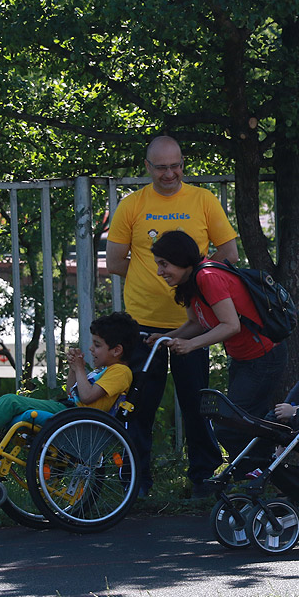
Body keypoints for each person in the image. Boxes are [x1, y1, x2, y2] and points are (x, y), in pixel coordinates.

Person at [106, 135, 239, 497]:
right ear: (147, 167)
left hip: (194, 323)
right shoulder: (132, 205)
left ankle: (204, 479)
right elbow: (115, 261)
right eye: (162, 167)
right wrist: (156, 277)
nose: (170, 173)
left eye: (176, 165)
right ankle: (136, 481)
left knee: (197, 404)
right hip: (141, 325)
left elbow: (229, 252)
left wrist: (199, 281)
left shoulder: (203, 199)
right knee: (137, 406)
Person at [149, 231, 287, 494]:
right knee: (242, 420)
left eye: (164, 264)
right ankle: (258, 477)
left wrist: (189, 345)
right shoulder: (191, 282)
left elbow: (230, 325)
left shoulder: (207, 277)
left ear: (182, 260)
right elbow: (195, 322)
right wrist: (166, 337)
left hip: (263, 356)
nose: (159, 271)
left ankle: (263, 473)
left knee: (231, 423)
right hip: (244, 358)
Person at [0, 312, 138, 456]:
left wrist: (81, 369)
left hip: (77, 418)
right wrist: (75, 368)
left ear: (117, 350)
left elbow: (87, 397)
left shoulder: (120, 372)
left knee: (10, 401)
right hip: (72, 412)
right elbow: (72, 392)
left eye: (97, 345)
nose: (92, 349)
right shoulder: (105, 370)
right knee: (12, 406)